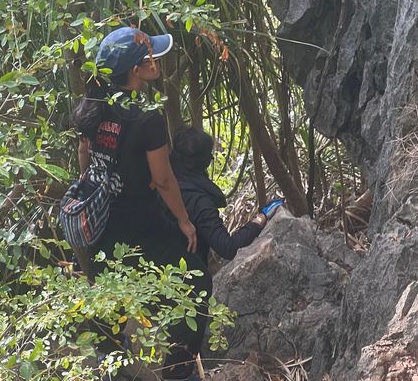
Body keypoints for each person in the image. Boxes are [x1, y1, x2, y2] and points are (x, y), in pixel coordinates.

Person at [72, 26, 210, 381]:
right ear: (136, 70)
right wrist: (185, 221)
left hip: (102, 228)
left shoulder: (94, 108)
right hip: (142, 227)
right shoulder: (146, 118)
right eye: (150, 56)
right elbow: (163, 180)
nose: (156, 60)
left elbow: (85, 153)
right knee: (195, 282)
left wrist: (98, 188)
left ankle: (111, 373)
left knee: (110, 313)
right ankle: (180, 372)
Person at [169, 126, 283, 266]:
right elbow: (227, 247)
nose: (211, 158)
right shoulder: (198, 200)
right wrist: (262, 218)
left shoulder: (161, 183)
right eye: (208, 155)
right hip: (183, 277)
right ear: (200, 162)